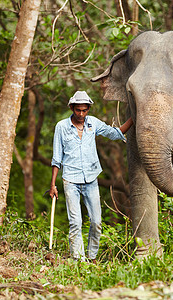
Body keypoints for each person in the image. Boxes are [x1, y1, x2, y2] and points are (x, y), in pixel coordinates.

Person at [49, 91, 133, 262]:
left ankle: (92, 257)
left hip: (91, 179)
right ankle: (79, 260)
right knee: (75, 222)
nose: (81, 114)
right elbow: (57, 158)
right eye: (78, 110)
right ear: (72, 108)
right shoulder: (61, 127)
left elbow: (115, 133)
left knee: (96, 221)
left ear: (88, 109)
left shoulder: (93, 123)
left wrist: (134, 117)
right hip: (70, 180)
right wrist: (53, 185)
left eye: (84, 110)